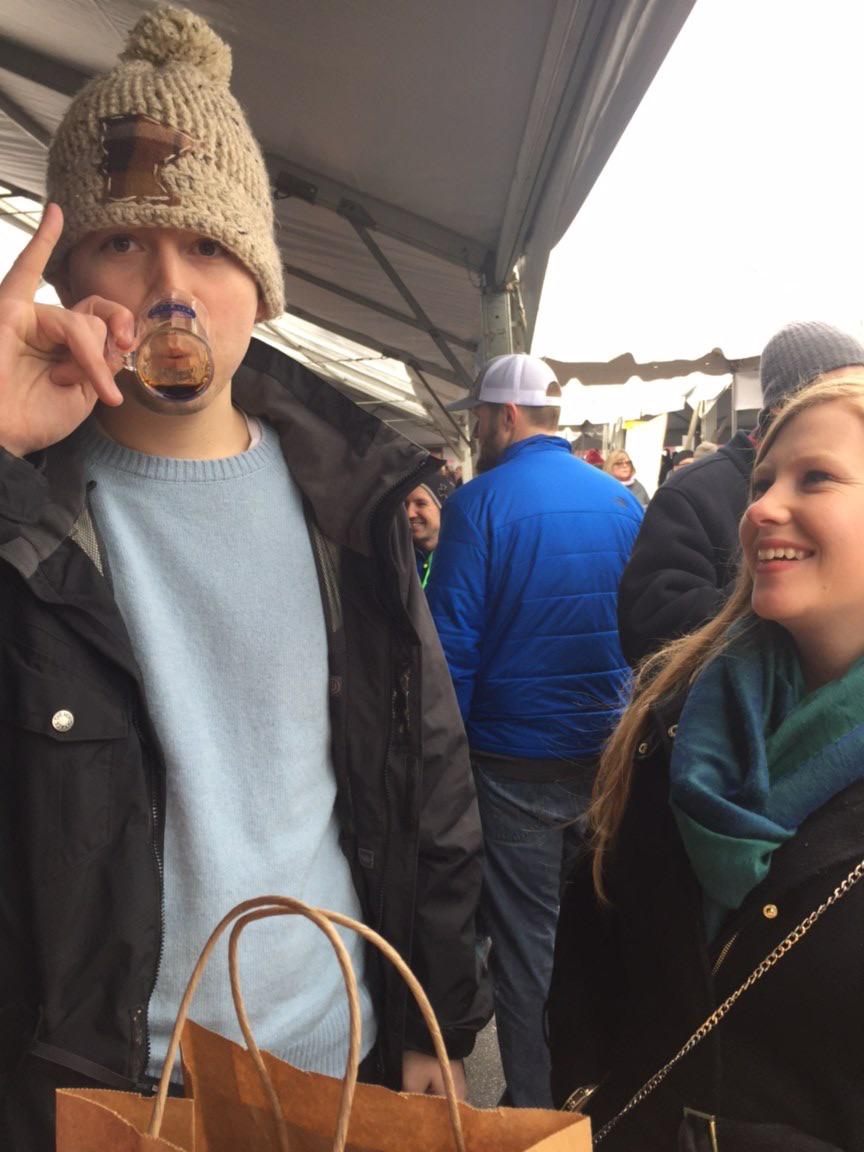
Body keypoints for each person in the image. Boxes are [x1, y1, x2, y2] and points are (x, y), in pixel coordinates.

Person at [0, 9, 489, 1147]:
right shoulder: (27, 514)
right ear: (66, 276)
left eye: (208, 246)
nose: (169, 282)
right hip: (111, 1096)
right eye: (122, 242)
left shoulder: (347, 505)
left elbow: (427, 780)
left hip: (337, 1068)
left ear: (261, 286)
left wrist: (440, 1025)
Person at [548, 369, 864, 1151]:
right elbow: (592, 951)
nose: (759, 507)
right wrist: (585, 1109)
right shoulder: (673, 714)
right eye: (762, 481)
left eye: (814, 478)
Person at [426, 353, 642, 1108]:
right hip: (605, 757)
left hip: (512, 763)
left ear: (504, 417)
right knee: (597, 937)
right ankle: (600, 1096)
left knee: (527, 953)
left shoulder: (478, 505)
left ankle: (536, 1116)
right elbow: (645, 632)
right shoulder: (621, 503)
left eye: (478, 417)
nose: (476, 429)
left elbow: (451, 648)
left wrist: (437, 768)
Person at [617, 321, 864, 666]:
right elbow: (652, 627)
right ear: (779, 414)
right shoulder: (690, 492)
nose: (762, 509)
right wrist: (779, 620)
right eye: (761, 486)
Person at [404, 473, 455, 588]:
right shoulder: (397, 559)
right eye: (405, 504)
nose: (409, 513)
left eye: (421, 504)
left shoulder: (460, 558)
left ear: (443, 508)